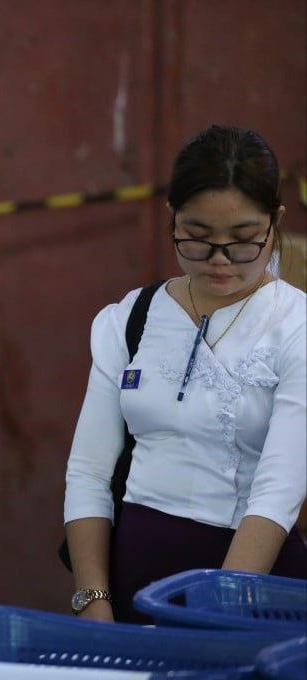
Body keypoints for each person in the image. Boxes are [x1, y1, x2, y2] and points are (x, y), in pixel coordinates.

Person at [64, 124, 307, 624]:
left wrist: (217, 607)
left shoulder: (296, 324)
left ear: (275, 222)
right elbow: (88, 471)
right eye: (196, 238)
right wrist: (93, 599)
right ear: (171, 217)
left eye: (243, 242)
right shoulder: (130, 318)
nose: (219, 261)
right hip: (133, 575)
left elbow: (279, 489)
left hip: (251, 588)